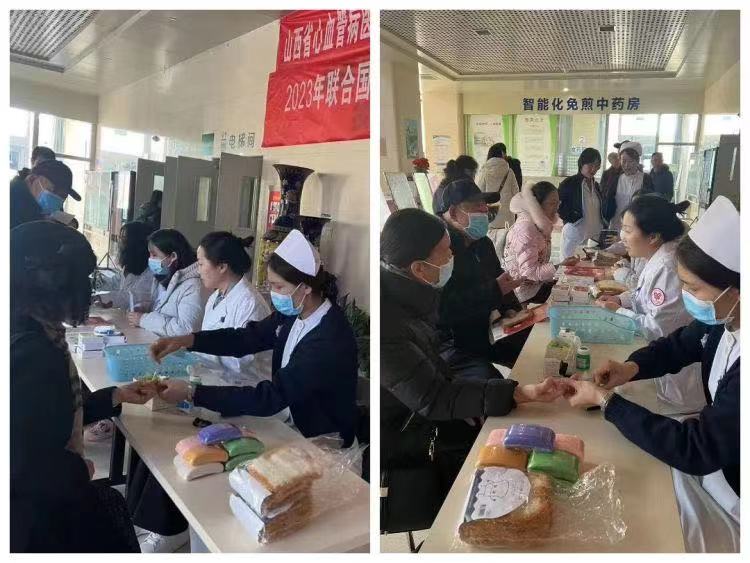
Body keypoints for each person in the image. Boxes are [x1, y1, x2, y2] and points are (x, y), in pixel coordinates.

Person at [561, 196, 740, 553]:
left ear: (736, 290)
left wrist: (607, 402)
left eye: (693, 288)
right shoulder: (726, 319)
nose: (685, 296)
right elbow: (678, 345)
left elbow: (697, 448)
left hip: (733, 495)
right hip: (715, 466)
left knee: (645, 531)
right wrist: (630, 368)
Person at [380, 208, 565, 508]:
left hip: (426, 401)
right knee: (490, 456)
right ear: (419, 268)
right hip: (408, 436)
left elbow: (433, 369)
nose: (452, 255)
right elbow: (433, 397)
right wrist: (521, 393)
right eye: (445, 252)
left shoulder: (411, 294)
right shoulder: (388, 323)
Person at [11, 220, 158, 552]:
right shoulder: (31, 353)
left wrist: (115, 396)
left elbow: (45, 415)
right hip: (31, 518)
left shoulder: (32, 329)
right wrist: (76, 470)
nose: (87, 292)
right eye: (83, 281)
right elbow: (21, 458)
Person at [594, 196, 705, 413]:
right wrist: (621, 299)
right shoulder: (657, 257)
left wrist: (620, 312)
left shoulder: (667, 266)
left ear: (653, 236)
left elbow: (658, 328)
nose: (622, 236)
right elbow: (643, 296)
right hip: (661, 362)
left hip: (679, 380)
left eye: (627, 230)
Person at [435, 178, 530, 369]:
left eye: (485, 205)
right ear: (453, 212)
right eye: (476, 206)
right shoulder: (439, 250)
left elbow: (500, 279)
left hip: (492, 325)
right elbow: (444, 307)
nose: (485, 210)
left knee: (536, 344)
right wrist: (495, 291)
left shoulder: (483, 243)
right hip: (458, 342)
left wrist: (513, 310)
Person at [194, 231, 272, 384]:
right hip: (218, 380)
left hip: (246, 386)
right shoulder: (215, 297)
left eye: (201, 264)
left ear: (222, 267)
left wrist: (195, 345)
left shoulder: (249, 303)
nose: (198, 270)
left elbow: (240, 360)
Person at [504, 181, 577, 303]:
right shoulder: (526, 229)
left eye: (558, 203)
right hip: (523, 295)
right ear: (537, 205)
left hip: (536, 286)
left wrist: (560, 267)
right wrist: (559, 266)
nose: (557, 208)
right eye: (552, 203)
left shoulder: (541, 225)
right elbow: (528, 273)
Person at [127, 228, 206, 336]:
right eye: (150, 254)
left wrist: (143, 319)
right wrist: (147, 308)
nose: (150, 259)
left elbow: (185, 329)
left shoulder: (193, 286)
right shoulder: (164, 279)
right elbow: (165, 309)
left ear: (173, 256)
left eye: (154, 255)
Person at [558, 148, 611, 260]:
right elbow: (559, 206)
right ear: (582, 163)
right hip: (575, 235)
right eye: (591, 165)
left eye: (597, 166)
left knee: (590, 267)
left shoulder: (596, 186)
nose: (594, 169)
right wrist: (573, 220)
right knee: (571, 265)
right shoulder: (569, 183)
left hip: (593, 238)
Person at [95, 221, 157, 311]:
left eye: (124, 238)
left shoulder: (150, 272)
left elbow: (129, 297)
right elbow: (114, 283)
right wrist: (95, 283)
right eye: (120, 237)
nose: (119, 242)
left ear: (136, 243)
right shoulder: (129, 266)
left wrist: (100, 298)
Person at [476, 143, 520, 259]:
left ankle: (492, 263)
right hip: (507, 217)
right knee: (506, 246)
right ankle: (504, 264)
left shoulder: (484, 171)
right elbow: (516, 193)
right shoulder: (509, 172)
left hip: (491, 214)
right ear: (502, 154)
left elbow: (479, 192)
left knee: (491, 245)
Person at [602, 141, 655, 231]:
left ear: (637, 161)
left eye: (631, 161)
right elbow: (608, 204)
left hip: (637, 228)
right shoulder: (616, 179)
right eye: (624, 161)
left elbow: (651, 205)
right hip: (616, 226)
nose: (627, 165)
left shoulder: (646, 179)